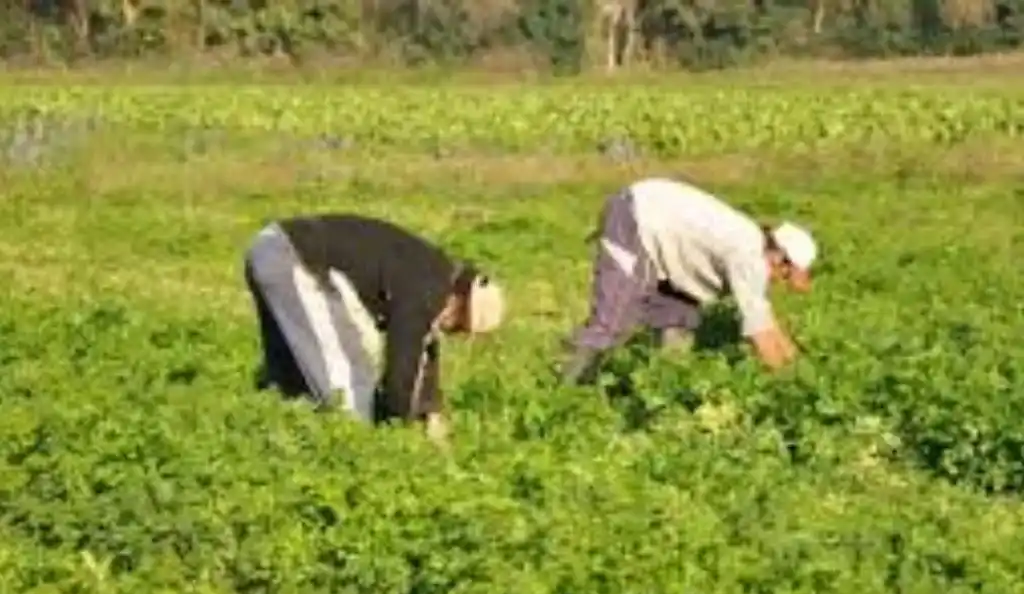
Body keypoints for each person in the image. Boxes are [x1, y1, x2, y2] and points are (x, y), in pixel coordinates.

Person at [243, 213, 506, 442]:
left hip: (271, 247)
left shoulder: (431, 274)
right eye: (459, 326)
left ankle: (270, 438)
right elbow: (404, 358)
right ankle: (352, 451)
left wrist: (430, 410)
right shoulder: (428, 287)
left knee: (292, 378)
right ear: (459, 302)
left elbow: (423, 345)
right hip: (295, 258)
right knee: (350, 377)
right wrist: (396, 423)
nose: (450, 331)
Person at [561, 176, 818, 385]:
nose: (780, 282)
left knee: (679, 320)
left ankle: (663, 388)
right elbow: (759, 334)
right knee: (613, 321)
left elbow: (766, 321)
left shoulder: (750, 245)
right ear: (778, 257)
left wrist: (796, 364)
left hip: (664, 238)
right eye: (785, 275)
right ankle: (567, 388)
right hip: (636, 218)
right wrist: (788, 385)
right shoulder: (748, 256)